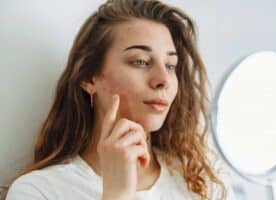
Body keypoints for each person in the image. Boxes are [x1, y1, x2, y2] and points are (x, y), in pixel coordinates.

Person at [5, 0, 235, 199]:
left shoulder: (205, 182)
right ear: (89, 77)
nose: (163, 80)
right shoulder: (39, 192)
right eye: (141, 61)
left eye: (170, 66)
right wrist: (118, 194)